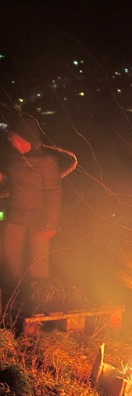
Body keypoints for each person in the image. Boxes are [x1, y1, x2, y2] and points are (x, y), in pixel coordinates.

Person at [0, 113, 62, 294]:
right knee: (11, 261)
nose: (10, 139)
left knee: (38, 265)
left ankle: (40, 301)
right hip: (15, 217)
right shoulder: (12, 159)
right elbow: (8, 181)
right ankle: (14, 300)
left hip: (39, 219)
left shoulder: (47, 161)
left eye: (13, 136)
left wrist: (51, 223)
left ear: (24, 137)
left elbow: (54, 193)